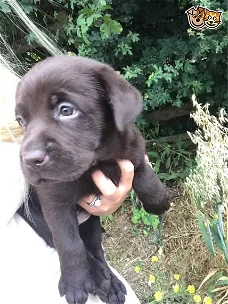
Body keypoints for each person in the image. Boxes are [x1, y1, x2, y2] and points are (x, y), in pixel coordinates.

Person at [0, 1, 142, 303]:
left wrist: (121, 182)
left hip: (65, 256)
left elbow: (115, 137)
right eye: (24, 122)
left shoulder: (11, 83)